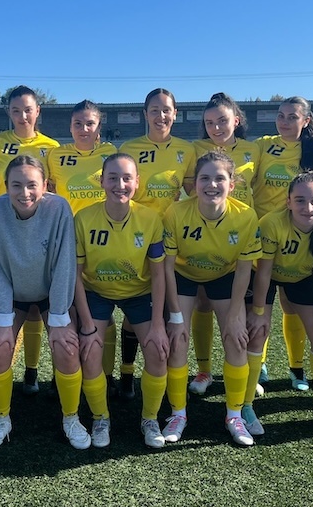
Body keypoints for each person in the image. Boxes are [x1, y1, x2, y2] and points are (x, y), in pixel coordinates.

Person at [162, 152, 262, 445]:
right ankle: (178, 413)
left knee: (236, 337)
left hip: (225, 276)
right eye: (205, 178)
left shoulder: (245, 215)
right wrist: (176, 317)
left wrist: (234, 315)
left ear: (232, 184)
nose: (212, 184)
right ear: (193, 184)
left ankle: (234, 415)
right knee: (177, 339)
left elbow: (245, 269)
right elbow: (167, 266)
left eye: (220, 178)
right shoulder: (176, 212)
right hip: (184, 274)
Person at [0, 156, 80, 450]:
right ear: (6, 186)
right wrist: (1, 319)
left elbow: (65, 264)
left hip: (52, 292)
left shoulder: (59, 208)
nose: (24, 193)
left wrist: (60, 318)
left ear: (44, 186)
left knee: (66, 348)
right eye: (16, 185)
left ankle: (71, 418)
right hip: (13, 294)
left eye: (31, 185)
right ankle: (1, 419)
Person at [73, 153, 170, 448]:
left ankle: (149, 419)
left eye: (127, 178)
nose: (120, 184)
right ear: (101, 181)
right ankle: (101, 418)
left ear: (137, 183)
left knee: (157, 349)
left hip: (139, 293)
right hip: (95, 291)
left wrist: (157, 325)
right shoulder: (84, 218)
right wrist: (87, 326)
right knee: (89, 352)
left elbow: (157, 275)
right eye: (113, 178)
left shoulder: (150, 219)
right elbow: (75, 275)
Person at [248, 171, 313, 438]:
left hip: (306, 277)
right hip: (266, 275)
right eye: (300, 200)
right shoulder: (271, 223)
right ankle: (244, 406)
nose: (308, 207)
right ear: (288, 202)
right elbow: (263, 272)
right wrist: (259, 312)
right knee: (256, 333)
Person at [118, 88, 197, 399]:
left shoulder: (186, 150)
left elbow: (193, 189)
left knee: (160, 309)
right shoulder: (130, 147)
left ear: (175, 114)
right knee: (134, 306)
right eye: (154, 110)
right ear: (145, 114)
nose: (161, 115)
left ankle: (161, 376)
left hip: (171, 239)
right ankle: (126, 373)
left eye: (166, 110)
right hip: (135, 236)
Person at [0, 86, 60, 395]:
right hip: (5, 233)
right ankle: (8, 373)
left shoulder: (52, 147)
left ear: (37, 111)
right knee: (8, 302)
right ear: (9, 113)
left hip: (39, 230)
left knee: (37, 303)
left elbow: (52, 189)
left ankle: (31, 370)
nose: (22, 115)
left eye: (28, 109)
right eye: (16, 110)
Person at [187, 93, 263, 397]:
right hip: (208, 232)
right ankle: (204, 369)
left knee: (243, 307)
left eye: (222, 120)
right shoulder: (196, 149)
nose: (216, 127)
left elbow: (260, 187)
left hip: (244, 233)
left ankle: (250, 367)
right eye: (209, 122)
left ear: (237, 120)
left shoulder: (254, 149)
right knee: (204, 303)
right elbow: (188, 184)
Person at [251, 97, 313, 392]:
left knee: (292, 307)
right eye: (280, 116)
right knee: (261, 306)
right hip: (263, 236)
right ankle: (258, 366)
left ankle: (296, 369)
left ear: (306, 120)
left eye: (292, 117)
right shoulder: (262, 145)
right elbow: (247, 173)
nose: (284, 121)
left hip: (301, 236)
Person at [46, 100, 121, 396]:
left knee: (103, 310)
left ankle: (106, 374)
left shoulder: (110, 154)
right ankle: (62, 373)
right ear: (70, 127)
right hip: (67, 242)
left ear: (99, 127)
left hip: (105, 241)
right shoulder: (56, 156)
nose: (84, 129)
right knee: (67, 312)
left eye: (90, 124)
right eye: (78, 124)